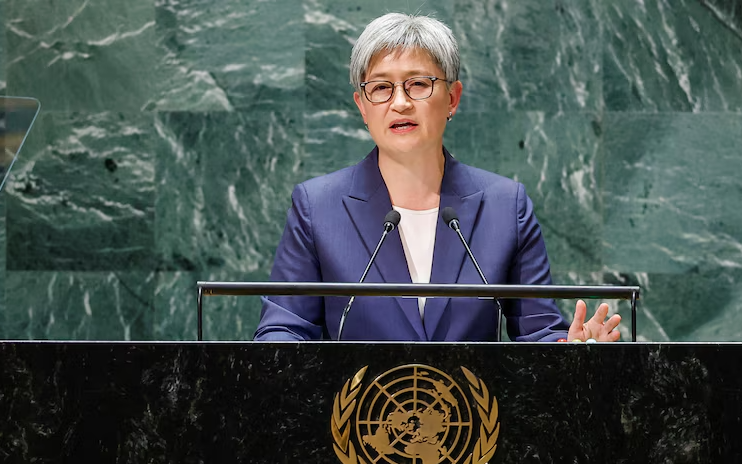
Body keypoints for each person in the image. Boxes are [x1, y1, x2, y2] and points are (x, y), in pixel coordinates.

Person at [254, 13, 620, 342]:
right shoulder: (318, 207)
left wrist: (570, 349)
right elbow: (283, 329)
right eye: (381, 87)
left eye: (418, 84)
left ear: (452, 99)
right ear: (362, 106)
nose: (400, 102)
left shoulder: (505, 206)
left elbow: (539, 331)